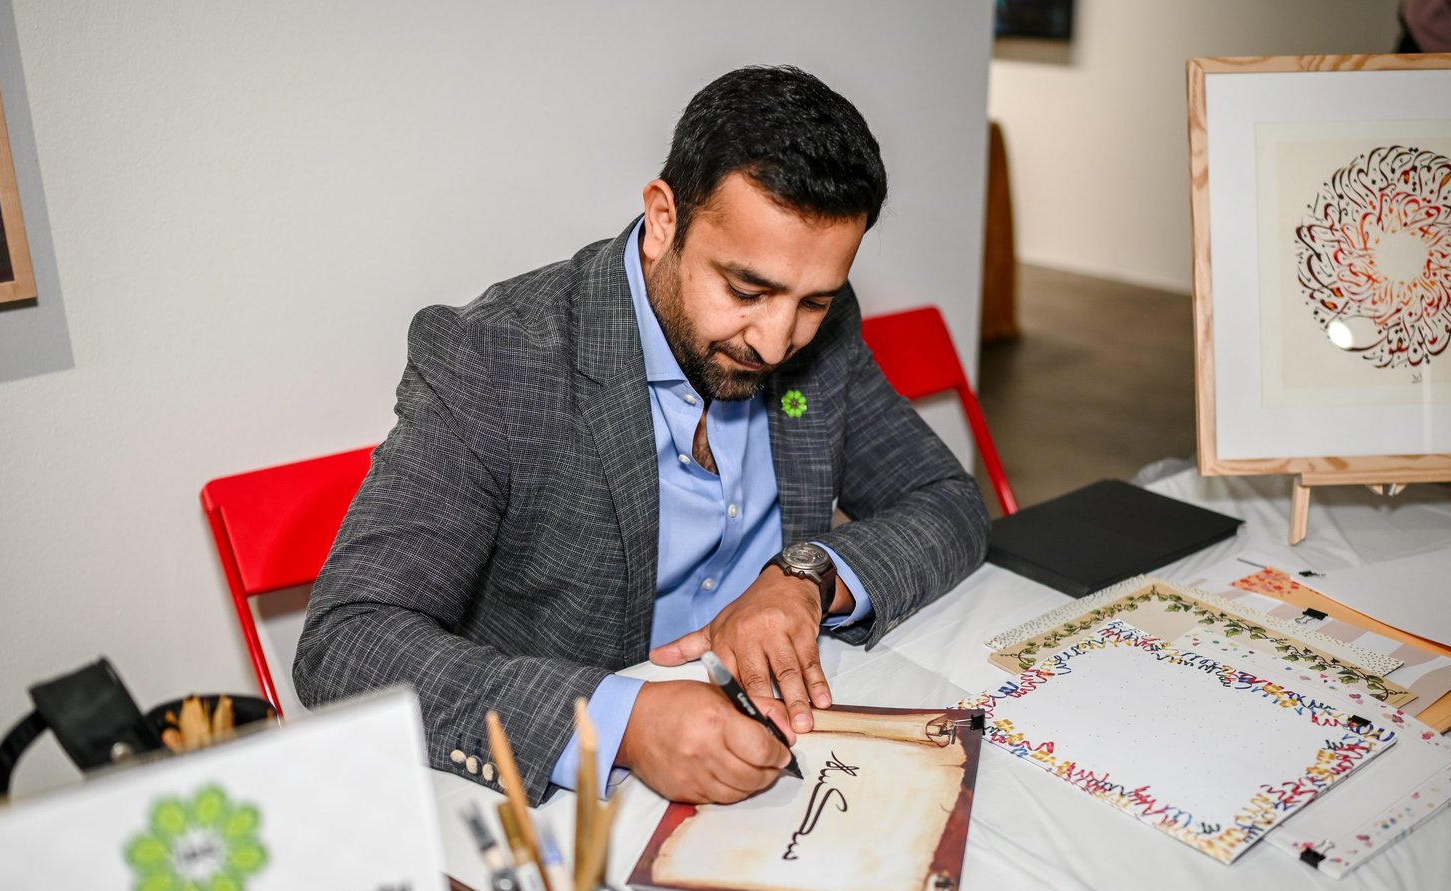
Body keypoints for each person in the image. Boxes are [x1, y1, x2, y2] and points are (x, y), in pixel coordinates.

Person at [293, 65, 988, 805]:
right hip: (571, 799)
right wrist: (622, 724)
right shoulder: (497, 359)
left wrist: (805, 578)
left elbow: (947, 499)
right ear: (663, 220)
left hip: (785, 752)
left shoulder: (825, 331)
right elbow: (347, 641)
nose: (776, 340)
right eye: (745, 290)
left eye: (813, 301)